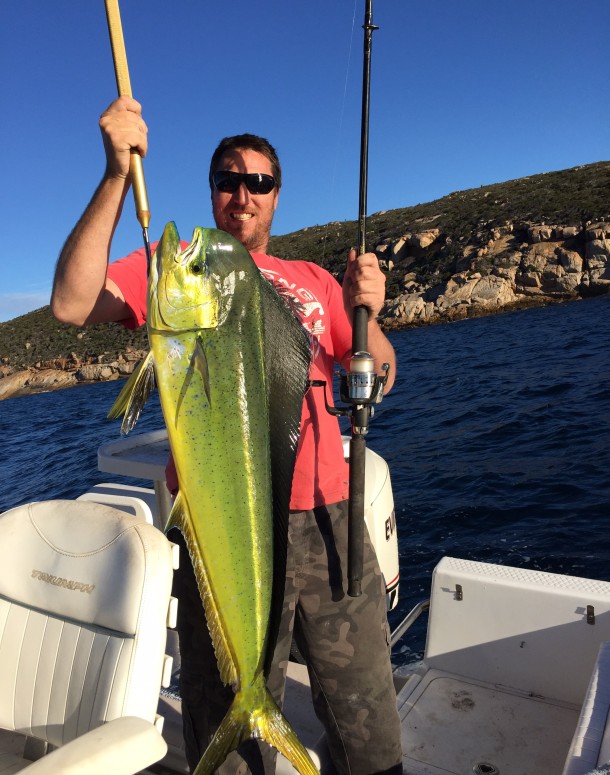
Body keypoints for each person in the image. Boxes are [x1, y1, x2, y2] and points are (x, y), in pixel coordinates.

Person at [52, 95, 402, 775]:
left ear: (276, 195)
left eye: (258, 182)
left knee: (369, 724)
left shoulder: (314, 283)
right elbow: (70, 301)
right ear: (213, 190)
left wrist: (370, 315)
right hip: (221, 529)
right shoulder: (176, 267)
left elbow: (381, 374)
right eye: (227, 179)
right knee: (230, 735)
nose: (242, 194)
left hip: (328, 523)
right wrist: (116, 174)